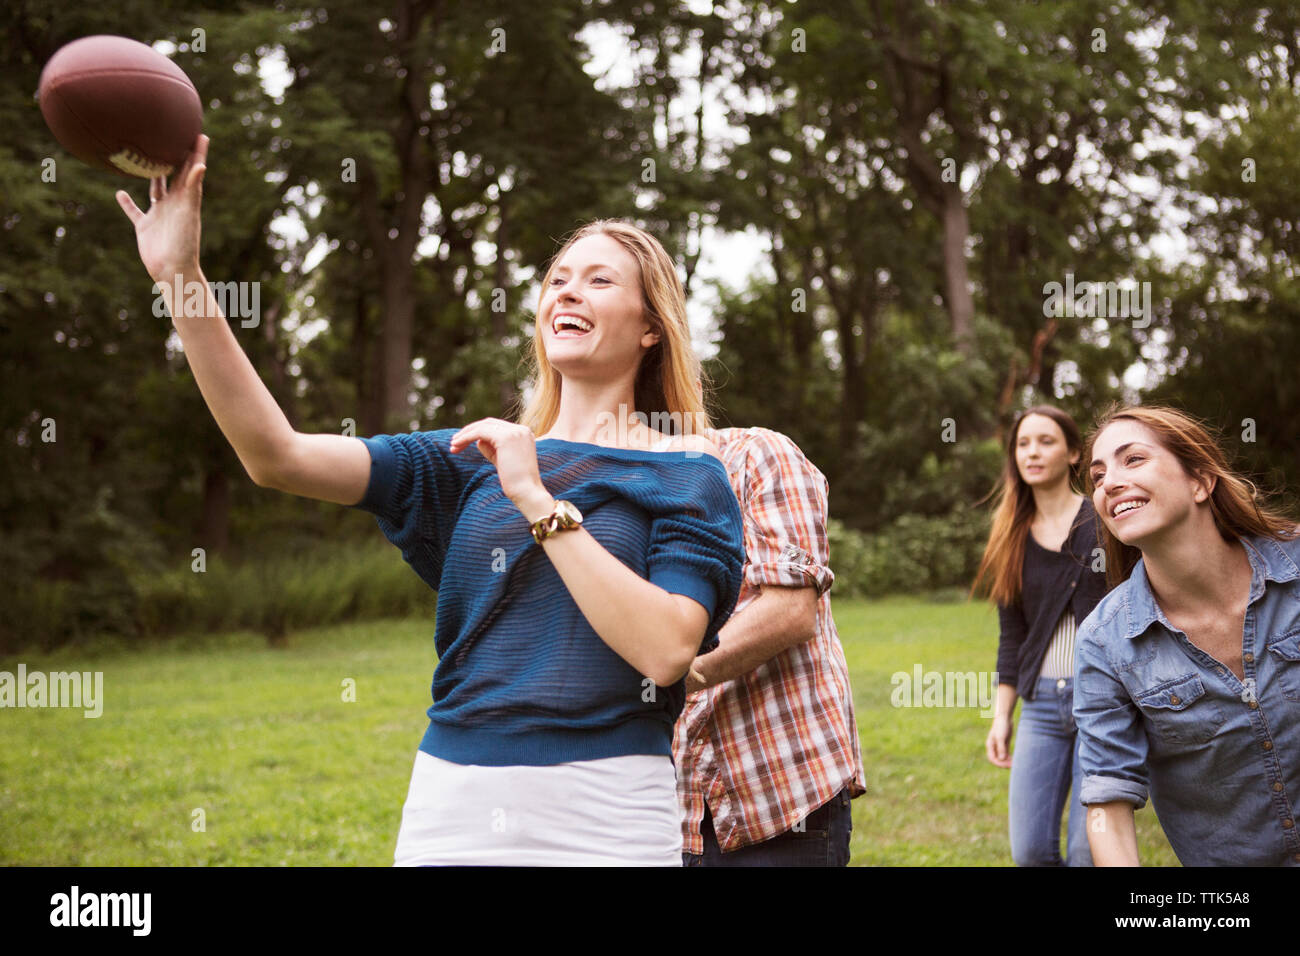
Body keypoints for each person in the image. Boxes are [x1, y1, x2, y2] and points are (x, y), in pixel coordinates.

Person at [115, 136, 745, 865]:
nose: (567, 292)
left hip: (608, 811)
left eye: (599, 281)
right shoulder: (467, 457)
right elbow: (274, 454)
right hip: (454, 802)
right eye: (558, 279)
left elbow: (666, 650)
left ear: (650, 327)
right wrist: (182, 277)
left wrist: (536, 498)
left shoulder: (686, 474)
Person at [1075, 404, 1300, 867]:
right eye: (1098, 477)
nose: (1109, 483)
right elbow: (1106, 801)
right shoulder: (1103, 642)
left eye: (1132, 459)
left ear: (1200, 481)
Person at [675, 424, 866, 866]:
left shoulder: (756, 456)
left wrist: (668, 674)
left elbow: (791, 610)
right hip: (665, 812)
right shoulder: (614, 484)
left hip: (776, 799)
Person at [972, 405, 1109, 866]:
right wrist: (1001, 716)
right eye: (1023, 443)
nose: (1032, 452)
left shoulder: (1107, 523)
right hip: (1043, 708)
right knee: (1030, 852)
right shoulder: (1009, 535)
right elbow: (1012, 636)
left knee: (1087, 852)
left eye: (1046, 441)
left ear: (1074, 454)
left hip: (1104, 704)